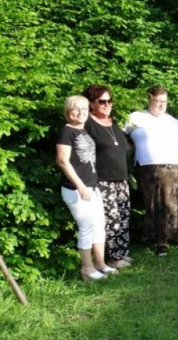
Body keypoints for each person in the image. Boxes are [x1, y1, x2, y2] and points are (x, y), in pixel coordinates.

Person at [124, 86, 178, 256]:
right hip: (149, 166)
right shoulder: (136, 118)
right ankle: (161, 241)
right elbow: (120, 137)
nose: (162, 104)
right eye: (158, 101)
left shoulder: (172, 121)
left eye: (164, 101)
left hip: (175, 165)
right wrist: (133, 150)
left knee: (177, 202)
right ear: (149, 99)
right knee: (157, 203)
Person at [55, 95, 117, 281]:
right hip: (76, 190)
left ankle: (100, 264)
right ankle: (87, 269)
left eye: (84, 108)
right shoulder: (67, 132)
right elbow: (62, 161)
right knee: (87, 227)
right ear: (68, 111)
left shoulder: (83, 131)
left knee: (99, 226)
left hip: (92, 187)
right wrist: (80, 186)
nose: (80, 112)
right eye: (76, 109)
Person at [82, 84, 133, 269]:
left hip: (122, 177)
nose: (106, 104)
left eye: (109, 100)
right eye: (101, 101)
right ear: (91, 104)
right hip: (103, 179)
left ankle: (122, 252)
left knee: (124, 216)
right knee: (111, 219)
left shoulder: (113, 123)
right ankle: (113, 257)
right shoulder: (88, 123)